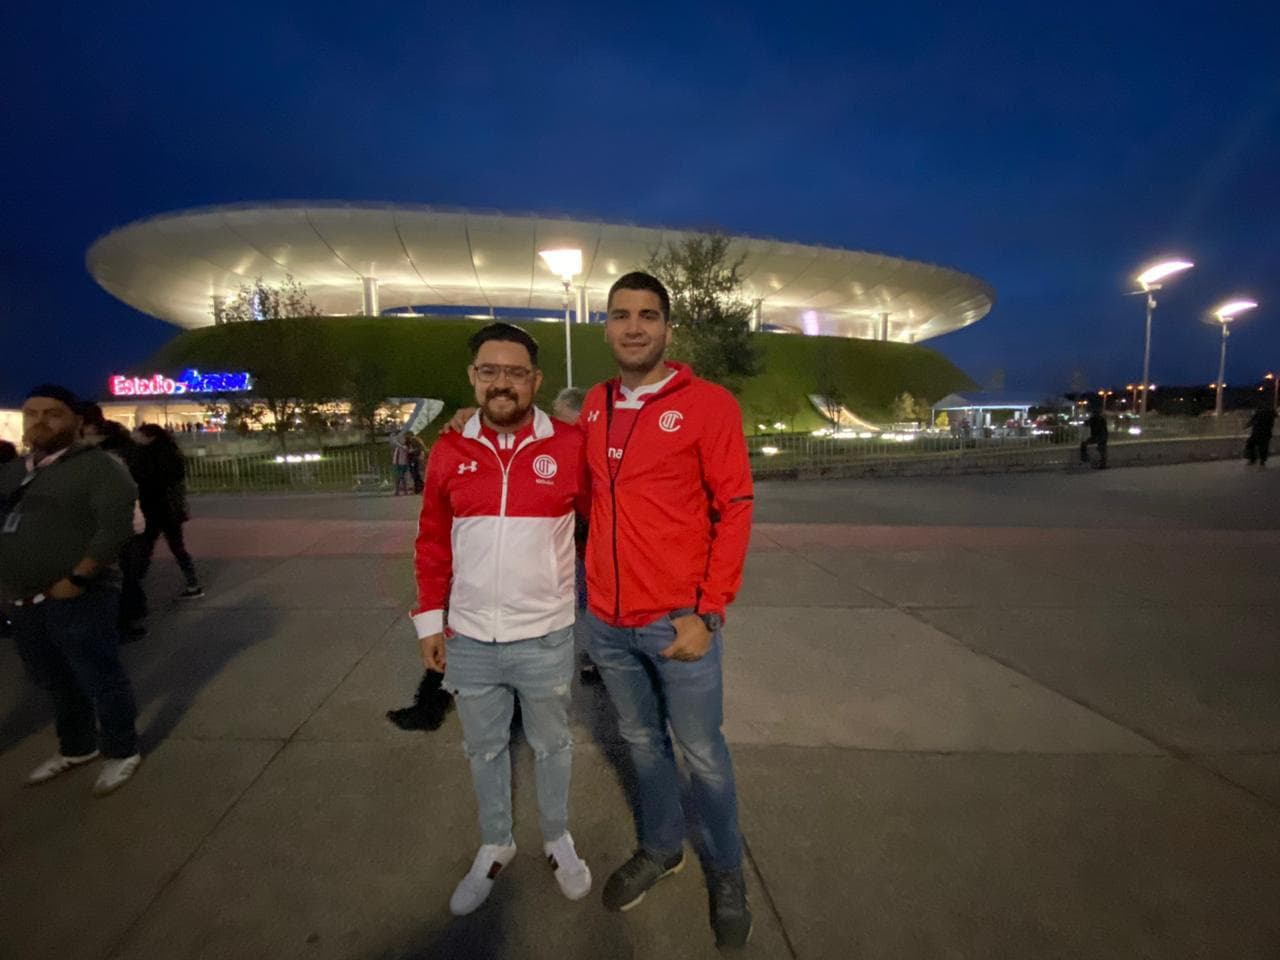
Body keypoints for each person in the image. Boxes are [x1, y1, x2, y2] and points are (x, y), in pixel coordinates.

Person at [581, 272, 755, 949]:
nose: (633, 327)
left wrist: (707, 611)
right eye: (621, 315)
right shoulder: (595, 405)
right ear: (606, 326)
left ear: (667, 329)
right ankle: (662, 847)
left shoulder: (709, 405)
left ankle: (727, 868)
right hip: (608, 623)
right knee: (642, 744)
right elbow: (580, 492)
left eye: (647, 315)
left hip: (677, 620)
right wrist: (473, 423)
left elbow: (735, 507)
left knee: (703, 754)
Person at [413, 322, 592, 916]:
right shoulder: (450, 449)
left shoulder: (570, 446)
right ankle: (496, 844)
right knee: (483, 749)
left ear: (535, 381)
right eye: (489, 371)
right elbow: (433, 540)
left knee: (552, 744)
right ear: (472, 378)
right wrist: (429, 623)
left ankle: (557, 838)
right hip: (469, 638)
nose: (502, 383)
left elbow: (608, 520)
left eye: (516, 372)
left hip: (544, 635)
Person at [0, 385, 143, 795]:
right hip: (24, 598)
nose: (40, 422)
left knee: (99, 675)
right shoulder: (18, 470)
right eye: (32, 414)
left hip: (77, 594)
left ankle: (121, 749)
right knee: (53, 678)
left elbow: (114, 527)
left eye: (52, 414)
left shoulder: (98, 467)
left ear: (77, 421)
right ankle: (77, 746)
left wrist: (78, 577)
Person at [552, 387, 599, 685]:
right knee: (584, 600)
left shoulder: (592, 445)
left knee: (591, 601)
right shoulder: (566, 445)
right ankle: (592, 655)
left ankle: (595, 655)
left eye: (563, 419)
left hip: (597, 541)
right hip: (580, 544)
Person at [132, 424, 204, 599]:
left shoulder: (147, 455)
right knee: (176, 547)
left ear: (150, 437)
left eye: (140, 434)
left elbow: (145, 479)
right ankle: (193, 583)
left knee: (145, 548)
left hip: (154, 508)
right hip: (170, 508)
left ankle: (135, 585)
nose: (136, 437)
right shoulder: (171, 452)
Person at [1244, 396, 1276, 467]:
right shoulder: (1270, 411)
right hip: (1265, 432)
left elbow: (1253, 420)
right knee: (1262, 447)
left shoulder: (1261, 411)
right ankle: (1261, 461)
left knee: (1252, 444)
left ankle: (1254, 460)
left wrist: (1247, 425)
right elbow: (1274, 417)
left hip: (1259, 432)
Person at [1079, 404, 1108, 469]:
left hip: (1097, 437)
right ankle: (1103, 464)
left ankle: (1085, 458)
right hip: (1103, 436)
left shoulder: (1094, 419)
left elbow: (1086, 423)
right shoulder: (1102, 419)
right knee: (1102, 450)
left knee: (1084, 444)